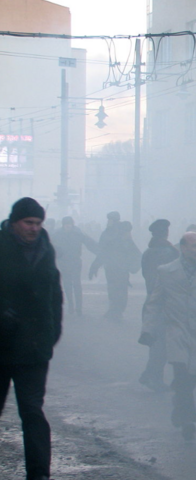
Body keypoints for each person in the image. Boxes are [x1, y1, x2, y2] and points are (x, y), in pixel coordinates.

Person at [139, 231, 196, 441]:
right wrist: (148, 328)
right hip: (176, 332)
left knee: (191, 375)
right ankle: (187, 419)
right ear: (183, 248)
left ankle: (179, 405)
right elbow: (155, 302)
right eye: (194, 246)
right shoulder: (166, 272)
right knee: (182, 372)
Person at [0, 197, 63, 480]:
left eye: (38, 223)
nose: (34, 228)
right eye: (28, 222)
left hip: (35, 348)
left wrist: (52, 333)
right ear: (14, 223)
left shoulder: (46, 252)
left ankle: (39, 475)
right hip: (1, 345)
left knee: (33, 412)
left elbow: (55, 297)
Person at [138, 219, 179, 392]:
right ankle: (152, 378)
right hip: (164, 303)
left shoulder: (148, 252)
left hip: (151, 302)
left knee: (156, 341)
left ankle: (149, 375)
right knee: (161, 343)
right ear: (166, 233)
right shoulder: (169, 253)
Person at [89, 215, 142, 321]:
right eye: (128, 232)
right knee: (114, 291)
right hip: (113, 270)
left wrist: (132, 267)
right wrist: (94, 266)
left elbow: (138, 256)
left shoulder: (128, 242)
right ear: (124, 232)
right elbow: (103, 254)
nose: (130, 234)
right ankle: (115, 310)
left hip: (120, 271)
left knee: (120, 291)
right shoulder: (114, 241)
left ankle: (117, 310)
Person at [52, 216, 98, 315]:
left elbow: (90, 243)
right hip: (63, 262)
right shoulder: (57, 234)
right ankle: (71, 306)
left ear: (72, 224)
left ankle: (78, 307)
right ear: (63, 225)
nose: (68, 226)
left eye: (69, 224)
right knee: (67, 285)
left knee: (76, 284)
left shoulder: (78, 233)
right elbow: (50, 245)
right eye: (66, 224)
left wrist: (100, 252)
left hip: (75, 262)